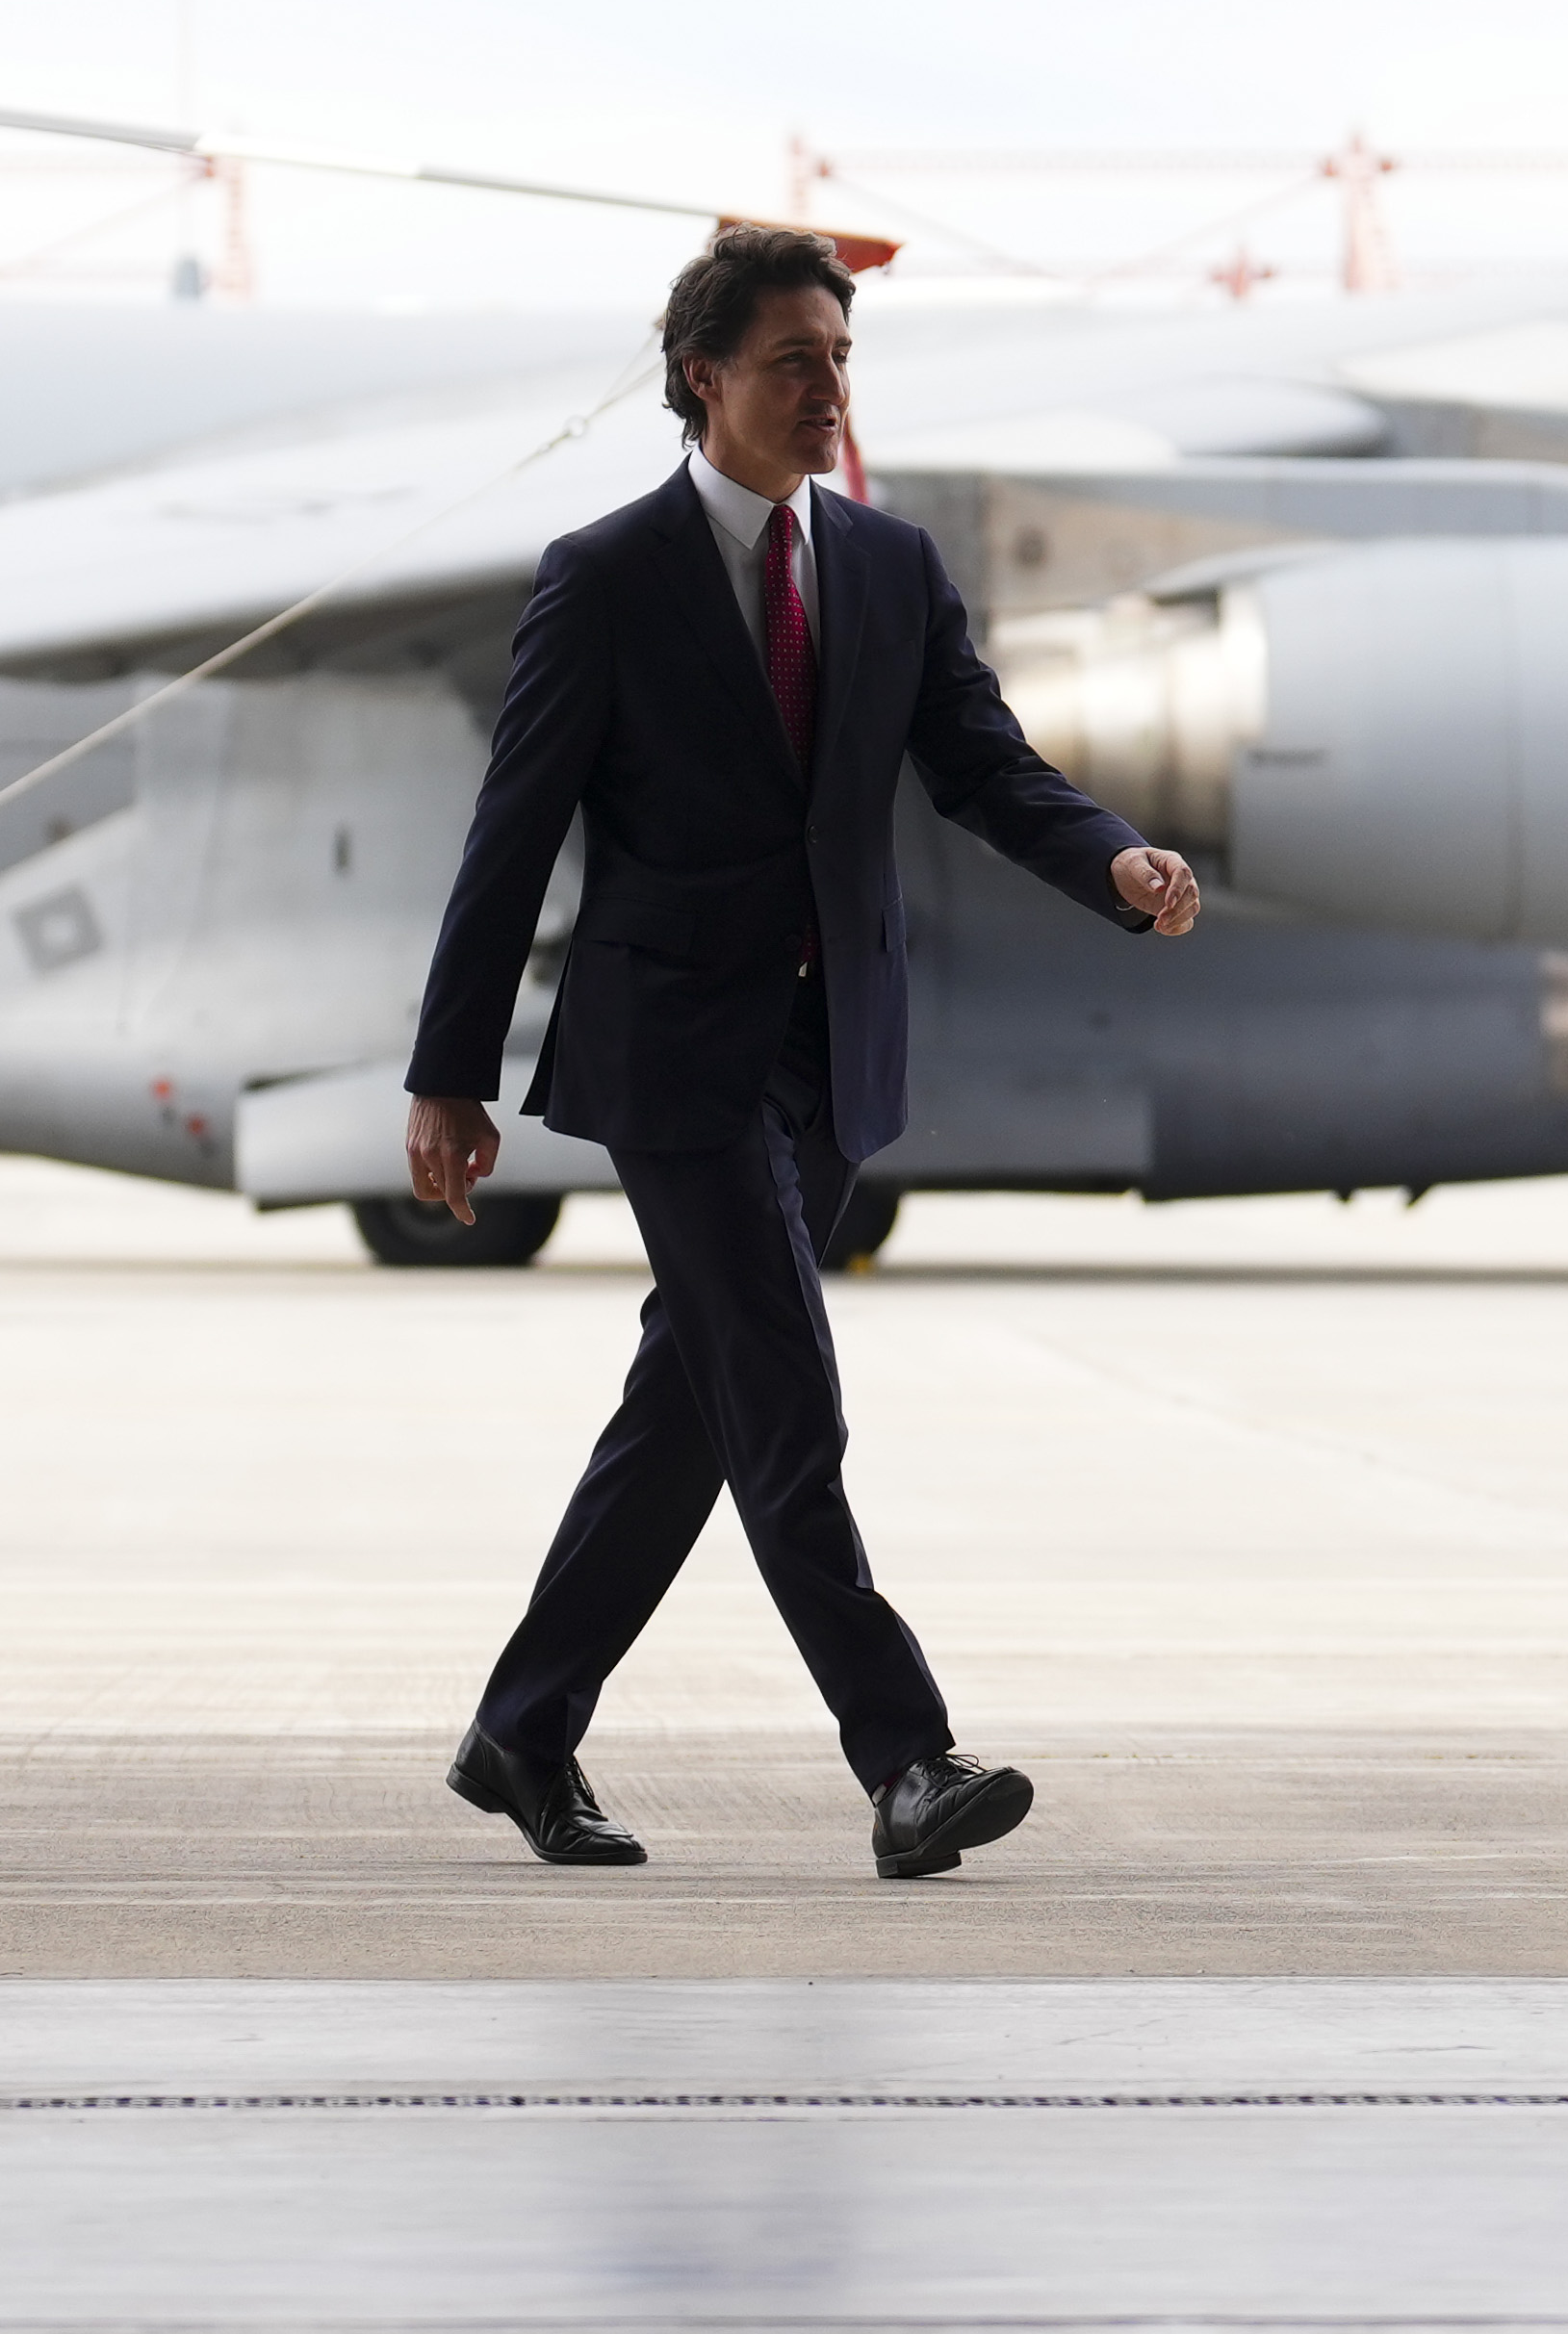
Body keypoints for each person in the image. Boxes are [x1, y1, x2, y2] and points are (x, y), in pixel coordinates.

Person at [401, 229, 1204, 1879]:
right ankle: (906, 1758)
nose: (827, 387)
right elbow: (514, 831)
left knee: (691, 1404)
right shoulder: (606, 573)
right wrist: (449, 1070)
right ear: (705, 379)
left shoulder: (892, 569)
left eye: (840, 357)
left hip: (829, 1049)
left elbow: (984, 763)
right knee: (780, 1390)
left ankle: (524, 1727)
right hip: (670, 1051)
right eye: (793, 361)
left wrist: (1113, 860)